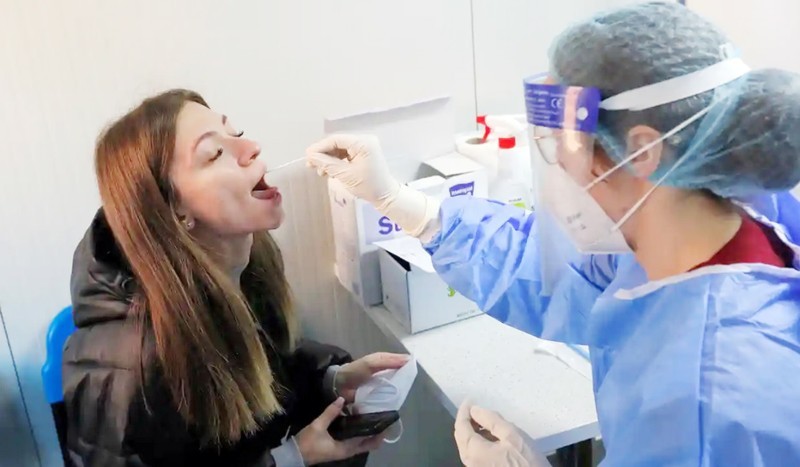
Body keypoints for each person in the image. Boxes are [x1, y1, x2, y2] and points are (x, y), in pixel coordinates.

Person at [306, 2, 800, 465]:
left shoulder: (706, 402)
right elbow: (557, 277)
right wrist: (409, 208)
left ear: (643, 151)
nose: (559, 160)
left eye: (566, 141)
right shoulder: (713, 221)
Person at [63, 89, 408, 467]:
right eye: (215, 153)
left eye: (237, 134)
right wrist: (294, 457)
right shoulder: (134, 367)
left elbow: (261, 370)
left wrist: (332, 380)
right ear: (173, 209)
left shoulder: (244, 267)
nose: (252, 148)